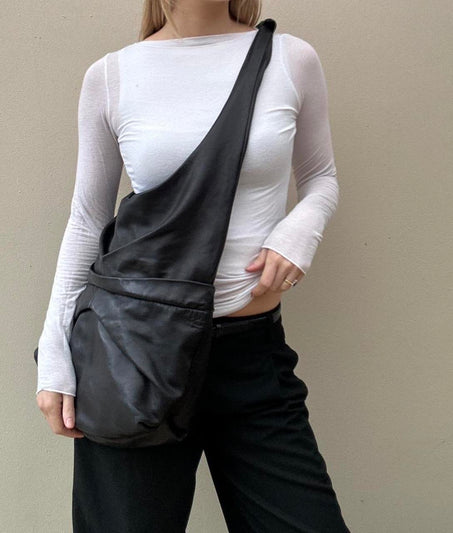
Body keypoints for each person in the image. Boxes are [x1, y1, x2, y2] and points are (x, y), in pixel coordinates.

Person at [35, 0, 350, 531]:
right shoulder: (111, 75)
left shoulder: (288, 58)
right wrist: (54, 353)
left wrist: (301, 229)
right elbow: (87, 220)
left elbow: (321, 177)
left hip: (252, 359)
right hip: (133, 355)